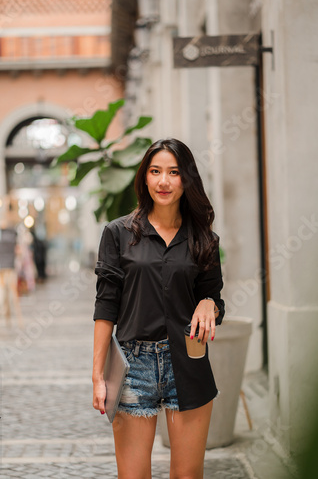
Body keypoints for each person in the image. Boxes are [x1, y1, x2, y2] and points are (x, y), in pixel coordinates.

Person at [92, 138, 225, 479]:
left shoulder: (204, 240)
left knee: (187, 475)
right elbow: (106, 305)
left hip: (188, 359)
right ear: (145, 178)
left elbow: (213, 298)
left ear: (187, 179)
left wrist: (210, 304)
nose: (164, 181)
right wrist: (98, 374)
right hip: (133, 365)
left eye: (173, 172)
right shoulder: (118, 233)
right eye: (155, 171)